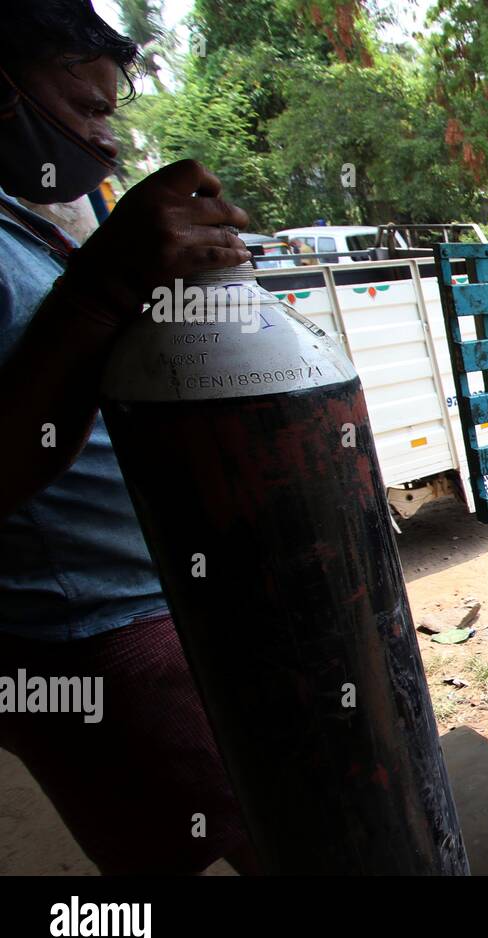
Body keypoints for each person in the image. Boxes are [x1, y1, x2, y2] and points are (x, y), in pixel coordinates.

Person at [0, 1, 256, 874]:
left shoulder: (31, 224)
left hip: (151, 594)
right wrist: (107, 285)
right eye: (86, 108)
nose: (105, 143)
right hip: (89, 627)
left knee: (263, 818)